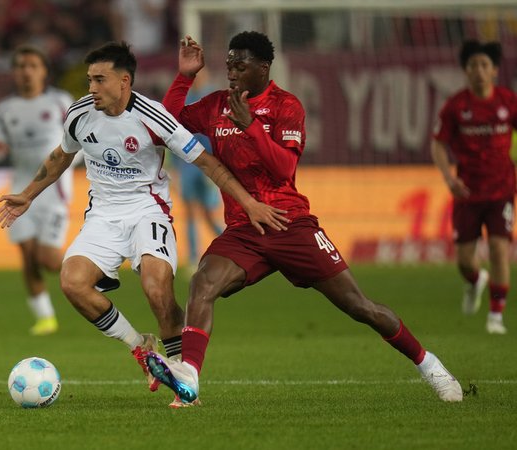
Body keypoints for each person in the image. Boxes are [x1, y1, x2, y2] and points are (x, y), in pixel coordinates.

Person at [145, 31, 464, 405]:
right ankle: (190, 378)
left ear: (263, 68)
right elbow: (161, 128)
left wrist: (250, 125)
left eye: (241, 65)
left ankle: (430, 365)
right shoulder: (216, 105)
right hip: (245, 229)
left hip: (290, 225)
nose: (231, 72)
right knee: (202, 283)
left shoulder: (286, 106)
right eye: (229, 64)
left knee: (361, 307)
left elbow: (283, 168)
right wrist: (184, 76)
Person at [0, 41, 287, 405]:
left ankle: (181, 373)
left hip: (148, 211)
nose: (91, 89)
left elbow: (207, 163)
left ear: (124, 81)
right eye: (89, 80)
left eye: (99, 80)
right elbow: (59, 157)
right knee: (72, 283)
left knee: (156, 286)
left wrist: (249, 203)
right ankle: (141, 347)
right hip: (103, 214)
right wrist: (28, 194)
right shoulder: (79, 114)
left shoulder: (153, 116)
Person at [0, 45, 76, 336]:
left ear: (44, 71)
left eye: (32, 65)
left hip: (53, 188)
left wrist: (64, 164)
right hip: (19, 187)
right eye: (21, 66)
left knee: (47, 259)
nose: (26, 71)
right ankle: (45, 318)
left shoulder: (61, 102)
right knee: (27, 254)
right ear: (14, 72)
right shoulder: (5, 109)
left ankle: (90, 277)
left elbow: (80, 142)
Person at [431, 40, 516, 335]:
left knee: (498, 249)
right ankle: (474, 281)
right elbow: (439, 144)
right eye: (472, 66)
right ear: (465, 72)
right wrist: (448, 178)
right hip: (467, 193)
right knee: (466, 261)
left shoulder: (507, 102)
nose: (478, 71)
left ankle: (495, 316)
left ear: (494, 70)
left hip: (502, 190)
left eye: (484, 65)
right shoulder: (456, 107)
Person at [173, 67, 224, 273]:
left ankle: (234, 249)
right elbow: (174, 135)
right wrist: (174, 168)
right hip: (188, 165)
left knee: (210, 214)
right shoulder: (185, 99)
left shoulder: (215, 98)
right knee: (191, 212)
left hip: (210, 164)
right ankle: (194, 259)